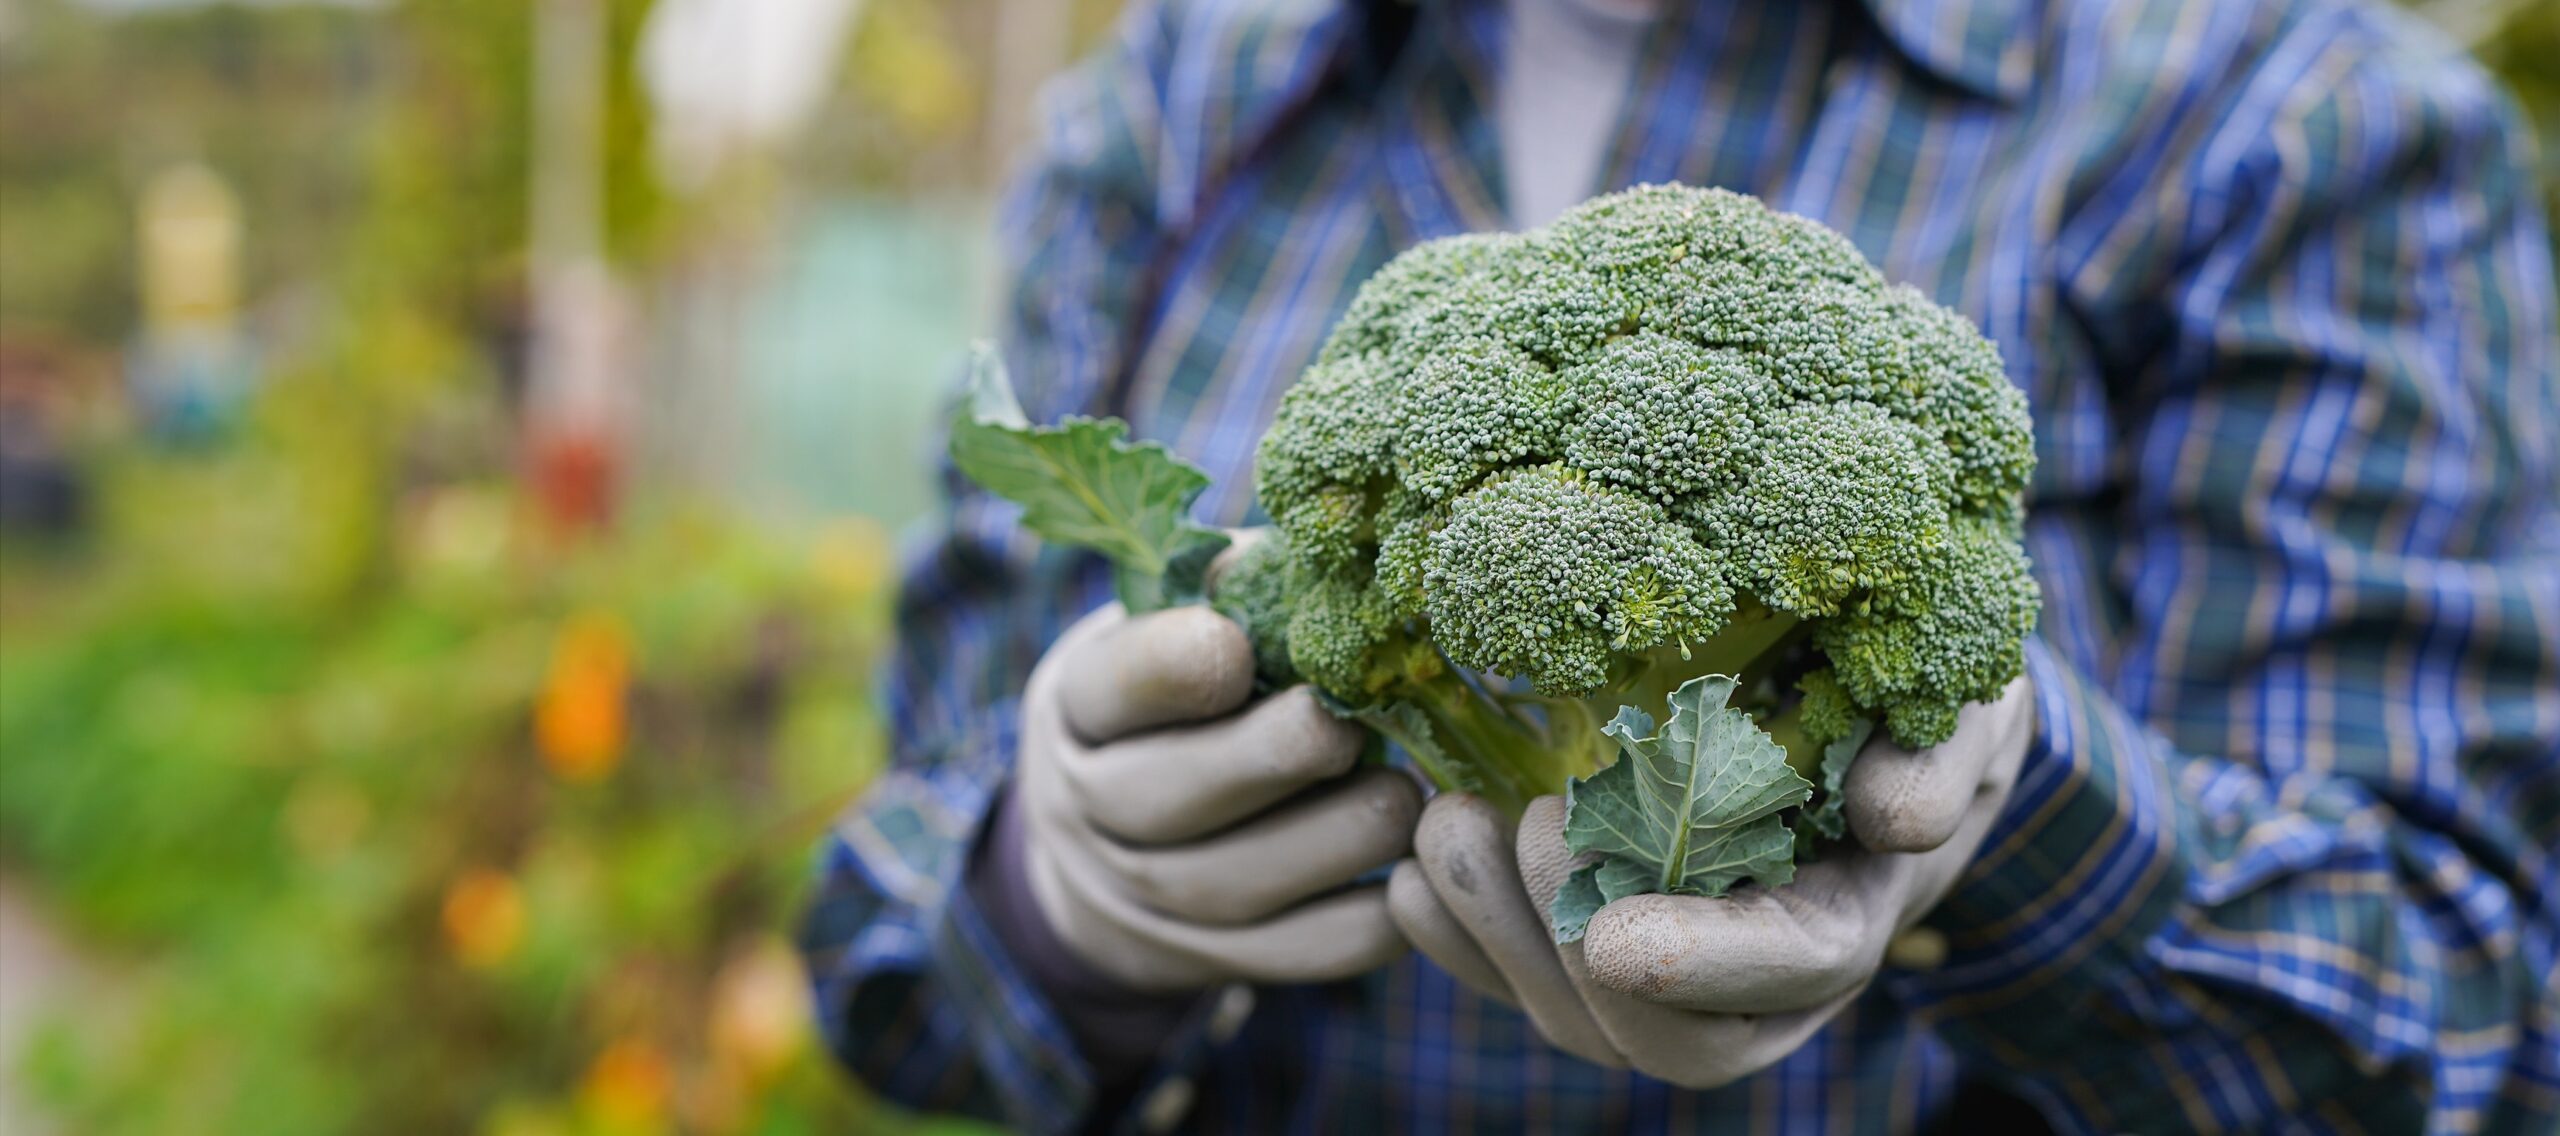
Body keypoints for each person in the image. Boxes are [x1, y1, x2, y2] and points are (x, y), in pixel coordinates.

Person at [799, 0, 2560, 1130]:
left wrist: (2008, 827)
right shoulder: (1180, 106)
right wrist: (1055, 904)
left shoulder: (2299, 116)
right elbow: (893, 967)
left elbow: (2471, 1017)